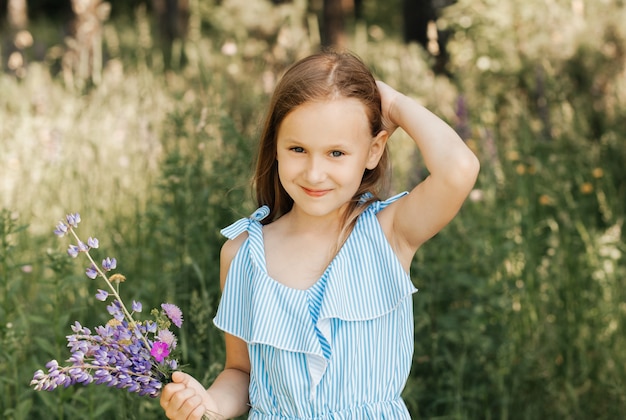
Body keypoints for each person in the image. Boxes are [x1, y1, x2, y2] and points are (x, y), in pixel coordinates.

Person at [160, 50, 480, 419]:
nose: (314, 173)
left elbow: (458, 168)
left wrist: (390, 102)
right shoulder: (242, 254)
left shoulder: (389, 235)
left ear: (374, 150)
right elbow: (243, 372)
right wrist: (209, 404)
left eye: (336, 153)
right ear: (275, 147)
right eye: (297, 149)